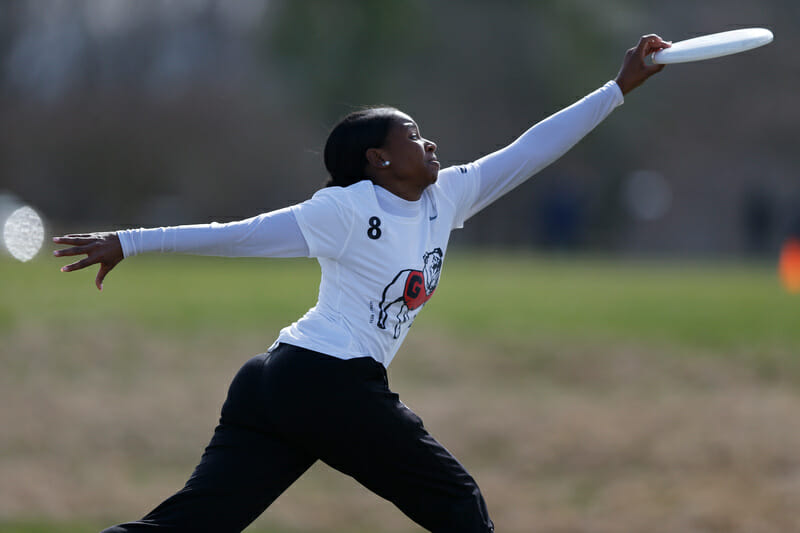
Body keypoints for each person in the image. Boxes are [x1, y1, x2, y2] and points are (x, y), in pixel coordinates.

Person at [54, 34, 670, 533]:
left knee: (188, 527)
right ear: (378, 160)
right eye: (410, 136)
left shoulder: (446, 195)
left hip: (280, 382)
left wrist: (617, 89)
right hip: (325, 379)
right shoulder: (345, 210)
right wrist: (130, 241)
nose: (427, 142)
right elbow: (238, 234)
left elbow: (532, 149)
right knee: (459, 506)